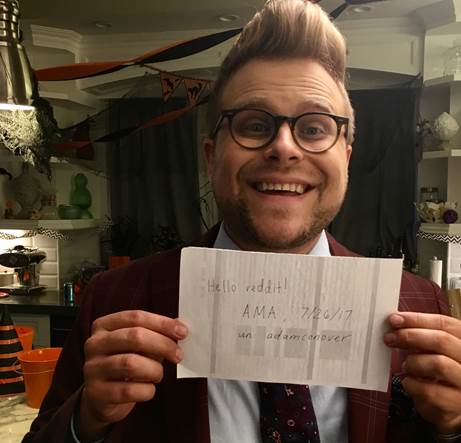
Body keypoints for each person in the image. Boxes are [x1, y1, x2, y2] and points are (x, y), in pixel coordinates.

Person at [23, 1, 461, 442]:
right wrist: (86, 420)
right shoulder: (115, 300)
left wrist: (453, 428)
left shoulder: (421, 305)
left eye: (314, 128)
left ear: (345, 159)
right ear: (211, 157)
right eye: (253, 125)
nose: (284, 147)